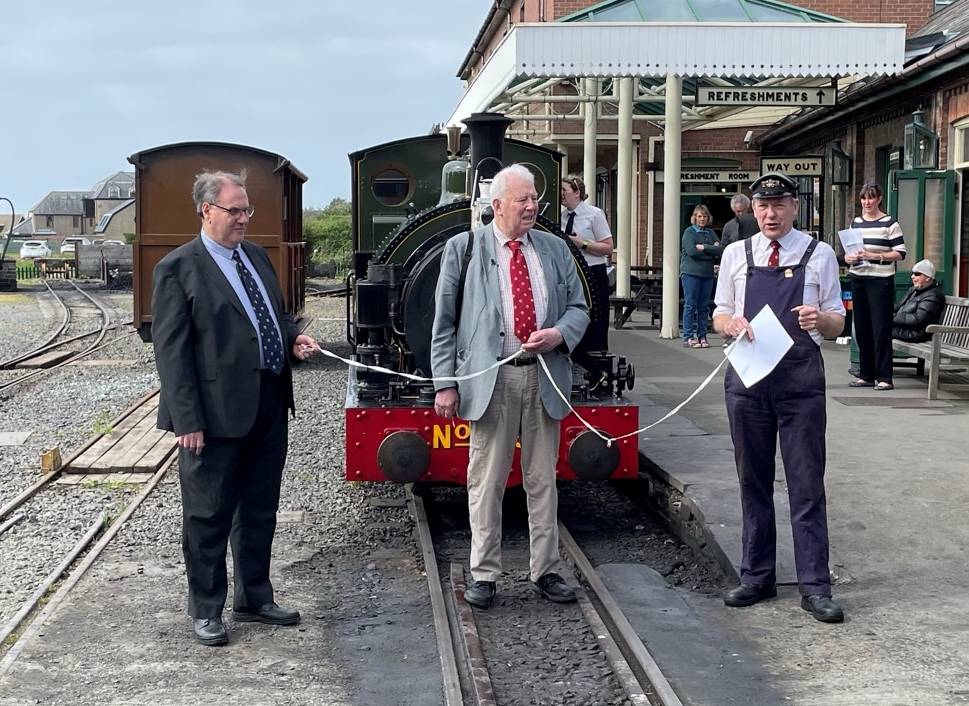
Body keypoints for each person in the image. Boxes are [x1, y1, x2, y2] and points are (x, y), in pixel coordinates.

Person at [151, 170, 320, 646]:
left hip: (268, 403)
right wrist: (187, 420)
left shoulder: (258, 257)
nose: (245, 218)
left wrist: (293, 340)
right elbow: (171, 352)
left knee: (260, 508)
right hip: (214, 414)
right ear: (206, 211)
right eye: (235, 210)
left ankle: (254, 596)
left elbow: (272, 319)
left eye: (247, 210)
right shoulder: (178, 268)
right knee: (208, 514)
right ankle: (206, 609)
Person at [430, 164, 589, 610]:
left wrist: (558, 334)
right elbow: (444, 323)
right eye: (522, 199)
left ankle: (547, 570)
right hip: (491, 378)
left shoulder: (556, 249)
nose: (532, 206)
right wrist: (446, 383)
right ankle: (484, 574)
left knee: (543, 479)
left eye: (534, 198)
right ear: (497, 206)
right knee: (487, 480)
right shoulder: (463, 248)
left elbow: (579, 307)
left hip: (544, 374)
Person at [713, 173, 847, 624]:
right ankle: (757, 576)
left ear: (795, 207)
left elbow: (838, 323)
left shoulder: (819, 254)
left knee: (806, 483)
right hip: (748, 381)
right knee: (753, 479)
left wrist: (819, 320)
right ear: (752, 208)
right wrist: (730, 324)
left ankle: (815, 586)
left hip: (800, 383)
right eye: (762, 205)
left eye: (779, 205)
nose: (770, 214)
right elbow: (719, 313)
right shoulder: (736, 253)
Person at [845, 182, 905, 391]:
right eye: (863, 198)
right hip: (858, 278)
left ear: (879, 199)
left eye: (871, 198)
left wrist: (875, 256)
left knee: (880, 328)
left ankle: (884, 377)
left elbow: (900, 253)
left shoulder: (890, 223)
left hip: (880, 280)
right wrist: (849, 258)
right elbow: (848, 251)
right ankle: (866, 374)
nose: (867, 202)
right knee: (861, 328)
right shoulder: (856, 223)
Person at [561, 175, 613, 367]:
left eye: (564, 190)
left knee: (596, 320)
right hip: (571, 274)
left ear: (577, 193)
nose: (561, 195)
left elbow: (608, 247)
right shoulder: (562, 217)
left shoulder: (594, 214)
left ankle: (597, 363)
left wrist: (582, 243)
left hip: (592, 273)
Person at [680, 204, 722, 348]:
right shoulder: (689, 232)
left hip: (707, 274)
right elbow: (691, 251)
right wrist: (710, 254)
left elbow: (720, 249)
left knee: (704, 307)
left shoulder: (710, 233)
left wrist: (704, 248)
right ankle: (688, 337)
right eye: (699, 216)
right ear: (694, 218)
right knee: (690, 305)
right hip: (691, 273)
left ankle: (702, 336)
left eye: (704, 216)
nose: (702, 219)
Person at [892, 259, 945, 343]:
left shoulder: (933, 296)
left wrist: (891, 318)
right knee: (876, 324)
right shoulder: (914, 290)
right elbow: (899, 307)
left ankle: (877, 356)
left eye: (917, 274)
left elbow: (918, 319)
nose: (912, 276)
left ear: (927, 277)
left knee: (880, 329)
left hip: (917, 334)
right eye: (912, 273)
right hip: (906, 329)